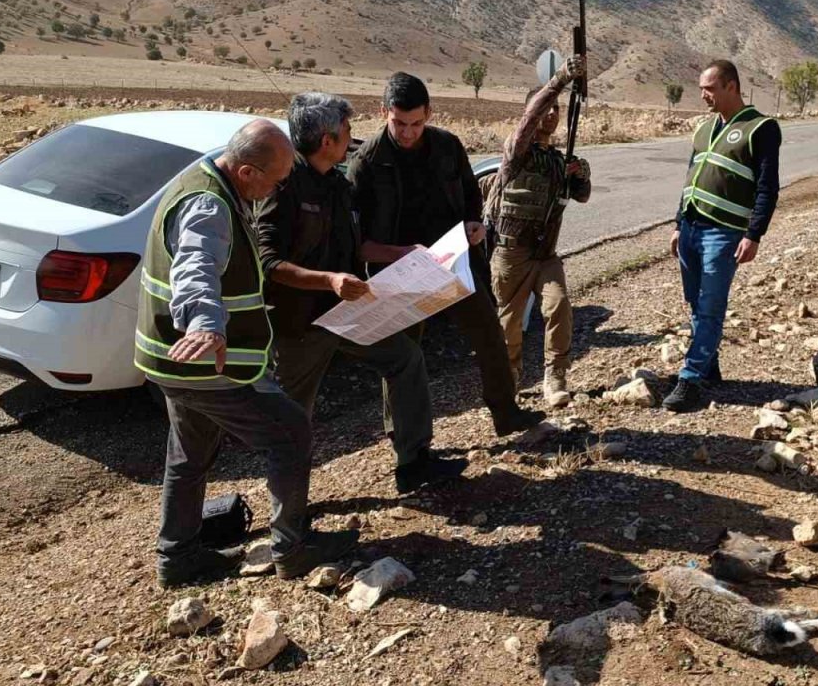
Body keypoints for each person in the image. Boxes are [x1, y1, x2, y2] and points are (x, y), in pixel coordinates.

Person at [135, 119, 357, 587]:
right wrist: (207, 324)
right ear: (246, 172)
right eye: (275, 181)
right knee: (291, 432)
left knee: (189, 454)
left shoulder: (201, 177)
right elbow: (196, 267)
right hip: (208, 361)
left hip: (174, 361)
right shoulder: (208, 206)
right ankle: (292, 550)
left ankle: (177, 558)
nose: (278, 188)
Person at [253, 92, 468, 493]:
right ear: (326, 141)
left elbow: (359, 247)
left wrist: (405, 254)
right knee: (291, 420)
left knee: (405, 359)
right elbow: (268, 263)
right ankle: (292, 522)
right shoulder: (283, 186)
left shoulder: (337, 182)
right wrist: (329, 280)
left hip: (348, 313)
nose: (353, 136)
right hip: (301, 326)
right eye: (347, 130)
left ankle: (414, 463)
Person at [347, 72, 544, 437]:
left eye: (417, 123)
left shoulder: (447, 146)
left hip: (452, 265)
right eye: (399, 123)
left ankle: (506, 413)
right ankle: (405, 441)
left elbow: (472, 196)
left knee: (489, 335)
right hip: (400, 273)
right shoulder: (366, 162)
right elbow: (356, 241)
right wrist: (400, 253)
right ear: (382, 112)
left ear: (430, 114)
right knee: (403, 357)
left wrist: (474, 225)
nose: (408, 132)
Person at [663, 59, 781, 413]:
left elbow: (767, 187)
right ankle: (709, 365)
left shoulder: (761, 128)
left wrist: (754, 234)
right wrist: (677, 224)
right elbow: (691, 177)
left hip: (724, 233)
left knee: (711, 306)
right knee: (696, 303)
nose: (704, 95)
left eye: (710, 88)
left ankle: (691, 378)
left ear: (732, 86)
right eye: (702, 88)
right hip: (691, 229)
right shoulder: (703, 129)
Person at [488, 54, 591, 406]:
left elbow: (582, 197)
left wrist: (580, 175)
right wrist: (560, 79)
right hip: (511, 253)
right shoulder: (517, 151)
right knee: (509, 326)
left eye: (557, 110)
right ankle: (510, 380)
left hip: (545, 253)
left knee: (559, 306)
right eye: (546, 109)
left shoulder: (558, 159)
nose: (551, 115)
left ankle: (555, 375)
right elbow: (531, 115)